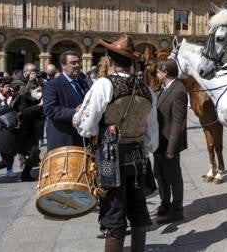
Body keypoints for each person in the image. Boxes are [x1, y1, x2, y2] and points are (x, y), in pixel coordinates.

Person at [73, 34, 158, 252]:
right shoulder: (147, 90)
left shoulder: (103, 85)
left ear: (109, 60)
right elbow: (152, 133)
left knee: (113, 212)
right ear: (131, 63)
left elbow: (87, 125)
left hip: (109, 158)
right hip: (138, 157)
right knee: (138, 209)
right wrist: (143, 148)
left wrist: (84, 123)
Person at [153, 59, 188, 223]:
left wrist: (171, 148)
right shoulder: (166, 88)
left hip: (169, 144)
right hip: (160, 142)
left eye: (158, 71)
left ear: (165, 73)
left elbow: (178, 122)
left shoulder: (178, 90)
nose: (156, 74)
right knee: (160, 175)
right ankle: (165, 204)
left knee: (173, 177)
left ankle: (177, 209)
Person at [43, 50, 88, 151]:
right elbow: (50, 110)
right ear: (63, 65)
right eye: (73, 63)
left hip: (82, 139)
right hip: (64, 141)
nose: (77, 65)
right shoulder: (53, 85)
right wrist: (75, 112)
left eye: (78, 62)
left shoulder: (83, 83)